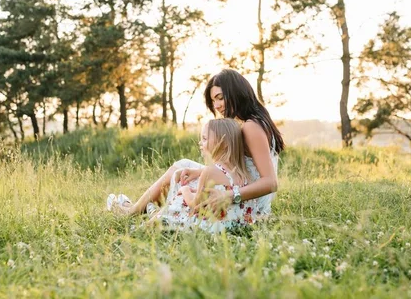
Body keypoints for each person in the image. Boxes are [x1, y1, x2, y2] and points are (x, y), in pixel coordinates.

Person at [107, 69, 284, 218]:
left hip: (250, 205)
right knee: (184, 169)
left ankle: (133, 211)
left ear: (236, 92)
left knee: (181, 168)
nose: (216, 105)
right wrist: (200, 172)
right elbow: (240, 168)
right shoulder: (254, 121)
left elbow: (270, 182)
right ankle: (146, 209)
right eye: (213, 100)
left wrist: (228, 196)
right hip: (243, 193)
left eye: (220, 98)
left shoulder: (251, 126)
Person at [147, 118, 258, 232]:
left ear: (223, 143)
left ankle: (155, 217)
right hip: (234, 227)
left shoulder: (209, 172)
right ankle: (155, 213)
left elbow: (194, 204)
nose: (200, 143)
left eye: (204, 139)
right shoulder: (245, 174)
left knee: (179, 199)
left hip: (209, 228)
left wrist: (185, 190)